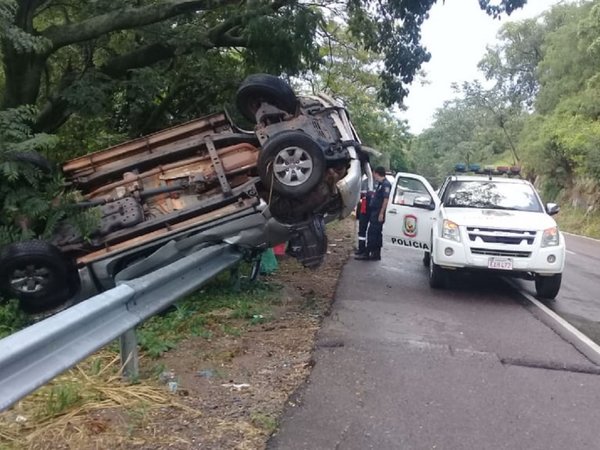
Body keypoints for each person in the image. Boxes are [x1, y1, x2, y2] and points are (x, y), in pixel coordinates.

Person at [355, 166, 391, 261]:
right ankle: (376, 254)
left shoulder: (385, 184)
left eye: (374, 174)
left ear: (376, 173)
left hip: (378, 212)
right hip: (375, 211)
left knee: (372, 233)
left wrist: (381, 213)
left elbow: (385, 199)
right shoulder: (381, 184)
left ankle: (367, 254)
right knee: (377, 234)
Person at [354, 176, 372, 256]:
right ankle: (361, 249)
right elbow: (359, 195)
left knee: (372, 231)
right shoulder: (364, 182)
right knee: (362, 230)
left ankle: (369, 250)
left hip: (373, 210)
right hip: (364, 209)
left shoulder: (380, 183)